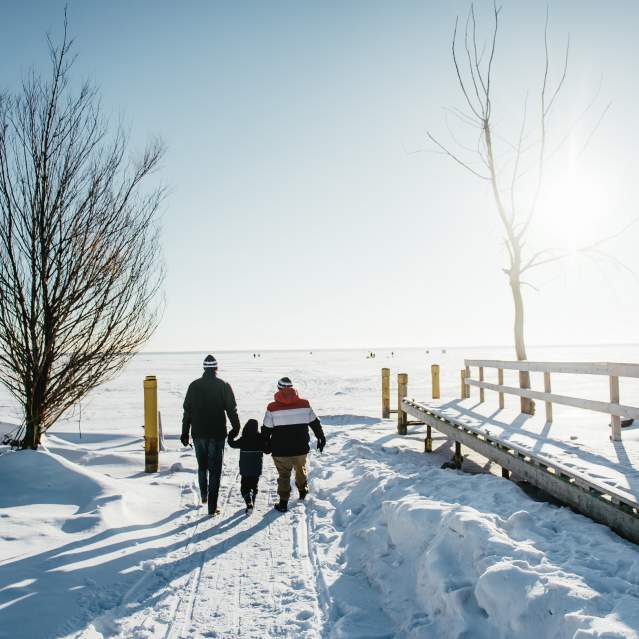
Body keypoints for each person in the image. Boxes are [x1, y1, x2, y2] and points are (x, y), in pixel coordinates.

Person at [181, 354, 240, 516]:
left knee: (202, 466)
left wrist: (185, 432)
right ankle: (212, 507)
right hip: (216, 433)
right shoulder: (223, 385)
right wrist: (236, 428)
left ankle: (205, 496)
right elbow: (231, 409)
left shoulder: (194, 386)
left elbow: (187, 412)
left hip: (198, 433)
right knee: (215, 470)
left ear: (204, 368)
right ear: (216, 368)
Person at [262, 377, 326, 513]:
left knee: (284, 475)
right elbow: (315, 423)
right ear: (292, 388)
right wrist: (321, 437)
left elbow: (266, 429)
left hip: (280, 450)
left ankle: (283, 502)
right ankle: (303, 490)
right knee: (300, 469)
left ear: (279, 389)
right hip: (300, 448)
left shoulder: (272, 407)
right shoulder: (305, 404)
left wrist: (265, 443)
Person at [227, 418, 270, 514]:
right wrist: (266, 436)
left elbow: (232, 444)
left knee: (244, 486)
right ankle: (251, 503)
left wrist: (231, 434)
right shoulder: (260, 439)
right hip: (256, 468)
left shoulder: (243, 439)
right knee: (254, 485)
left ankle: (248, 502)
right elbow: (268, 450)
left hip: (245, 468)